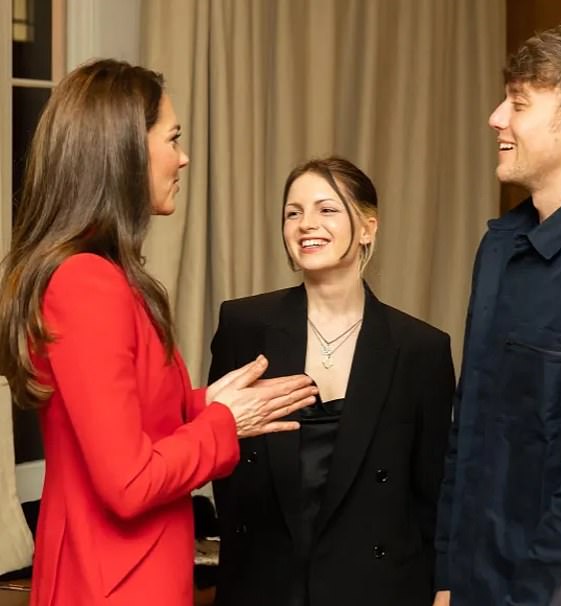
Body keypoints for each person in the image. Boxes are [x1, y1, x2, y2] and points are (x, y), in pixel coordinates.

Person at [0, 59, 318, 606]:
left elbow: (118, 422)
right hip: (116, 585)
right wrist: (223, 422)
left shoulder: (97, 274)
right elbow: (127, 483)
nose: (183, 156)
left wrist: (200, 406)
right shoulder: (85, 283)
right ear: (123, 152)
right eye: (172, 138)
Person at [433, 23, 561, 606]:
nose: (497, 117)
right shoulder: (500, 245)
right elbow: (466, 427)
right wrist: (446, 575)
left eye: (518, 103)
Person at [208, 156, 455, 606]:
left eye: (326, 209)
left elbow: (432, 492)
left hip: (377, 589)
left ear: (367, 228)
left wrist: (442, 589)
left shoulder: (421, 349)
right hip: (264, 583)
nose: (306, 224)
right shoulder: (244, 324)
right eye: (293, 212)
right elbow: (221, 457)